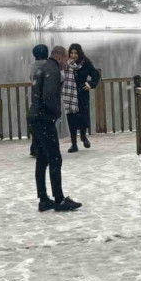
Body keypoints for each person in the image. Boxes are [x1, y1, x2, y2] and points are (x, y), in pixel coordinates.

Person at [28, 45, 82, 212]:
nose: (67, 63)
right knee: (55, 159)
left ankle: (43, 199)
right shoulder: (53, 71)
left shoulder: (42, 68)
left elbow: (36, 94)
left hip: (35, 118)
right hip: (44, 120)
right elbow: (49, 95)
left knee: (42, 158)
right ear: (59, 58)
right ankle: (59, 200)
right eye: (66, 59)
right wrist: (56, 113)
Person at [62, 43, 101, 153]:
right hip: (69, 95)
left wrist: (90, 85)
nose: (73, 55)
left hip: (82, 94)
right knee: (72, 118)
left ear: (80, 53)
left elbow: (96, 75)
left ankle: (83, 137)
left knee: (83, 117)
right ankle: (74, 144)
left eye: (76, 53)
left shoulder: (85, 63)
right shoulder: (66, 63)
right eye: (71, 53)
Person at [29, 44, 48, 158]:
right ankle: (39, 148)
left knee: (37, 124)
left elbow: (31, 79)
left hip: (35, 99)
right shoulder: (49, 66)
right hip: (46, 100)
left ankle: (34, 147)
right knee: (46, 125)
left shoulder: (33, 67)